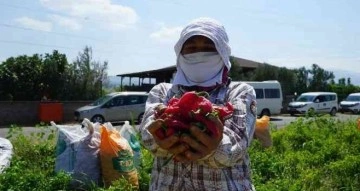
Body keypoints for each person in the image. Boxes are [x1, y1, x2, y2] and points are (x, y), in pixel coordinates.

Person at [139, 17, 257, 190]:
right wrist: (159, 139)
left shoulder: (239, 91)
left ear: (223, 53)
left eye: (209, 49)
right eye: (191, 48)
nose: (199, 55)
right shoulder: (163, 92)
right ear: (180, 53)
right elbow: (147, 136)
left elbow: (236, 146)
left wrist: (216, 145)